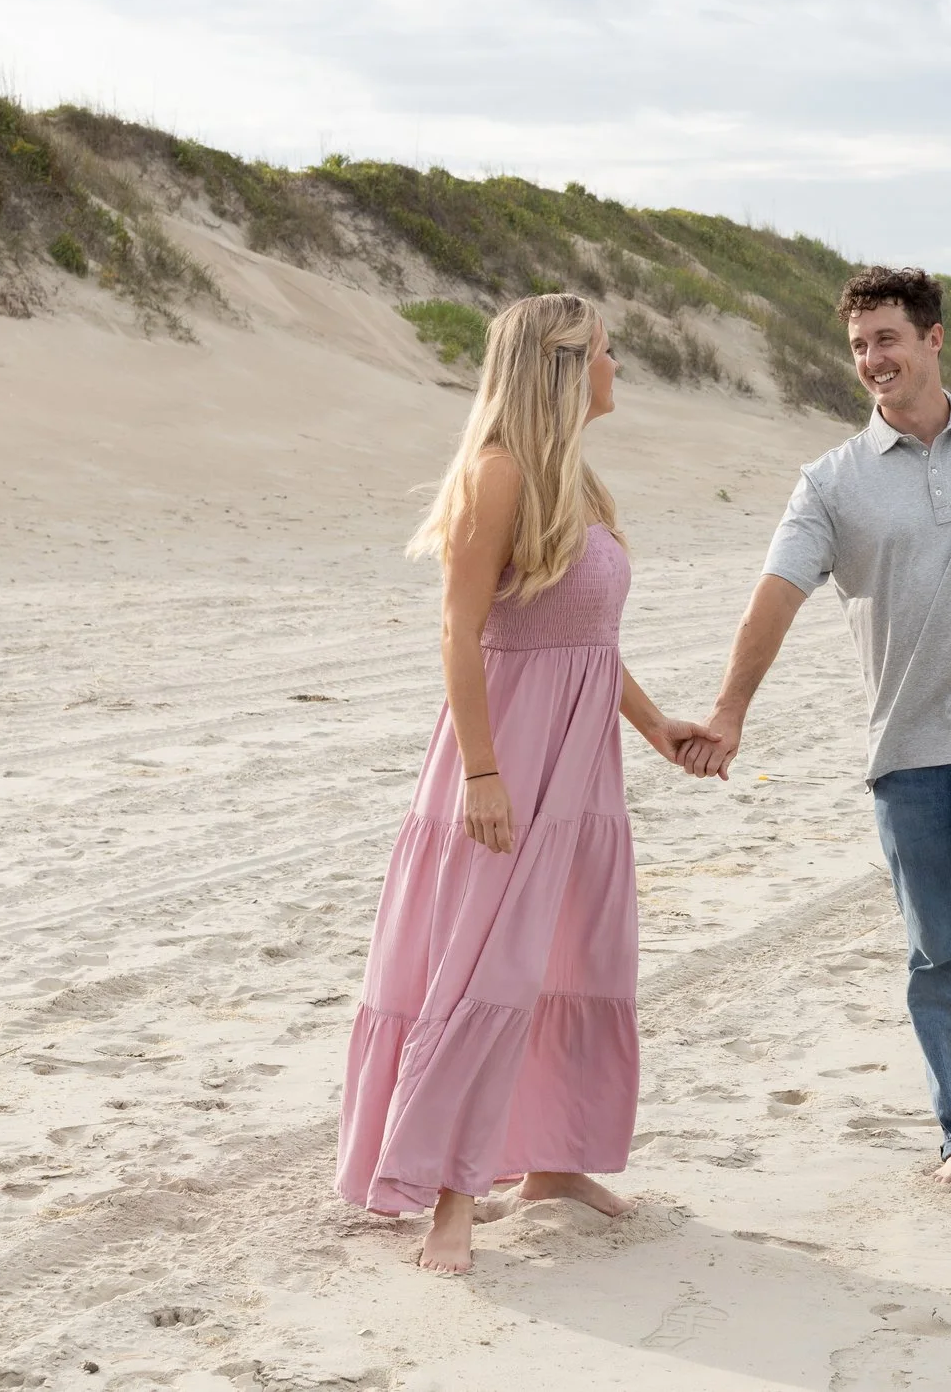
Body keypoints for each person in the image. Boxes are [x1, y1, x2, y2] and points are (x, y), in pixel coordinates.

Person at [678, 267, 951, 1190]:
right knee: (935, 952)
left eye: (888, 339)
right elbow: (776, 596)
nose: (873, 360)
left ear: (933, 339)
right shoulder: (831, 482)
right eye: (859, 346)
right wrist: (730, 708)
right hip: (907, 748)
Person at [336, 293, 712, 1273]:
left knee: (581, 956)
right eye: (603, 351)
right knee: (486, 971)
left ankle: (555, 1160)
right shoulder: (495, 473)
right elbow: (460, 632)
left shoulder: (574, 482)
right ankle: (449, 1200)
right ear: (558, 365)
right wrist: (484, 772)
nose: (615, 365)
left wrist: (655, 720)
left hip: (583, 768)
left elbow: (587, 639)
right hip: (507, 758)